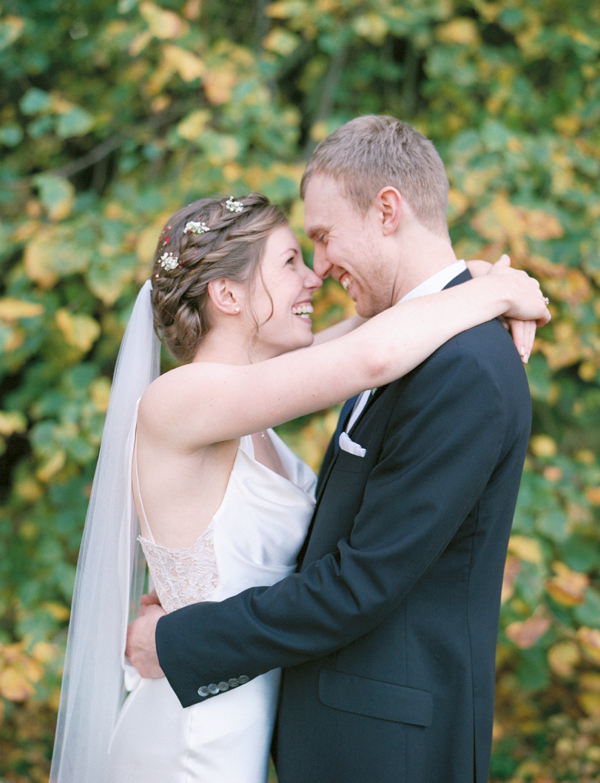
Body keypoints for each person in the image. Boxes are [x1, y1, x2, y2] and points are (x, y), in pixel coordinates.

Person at [50, 191, 548, 781]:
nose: (314, 277)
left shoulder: (249, 400)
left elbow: (393, 314)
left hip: (244, 723)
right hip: (192, 740)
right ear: (227, 294)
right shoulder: (179, 399)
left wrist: (481, 277)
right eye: (289, 262)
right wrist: (497, 293)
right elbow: (370, 355)